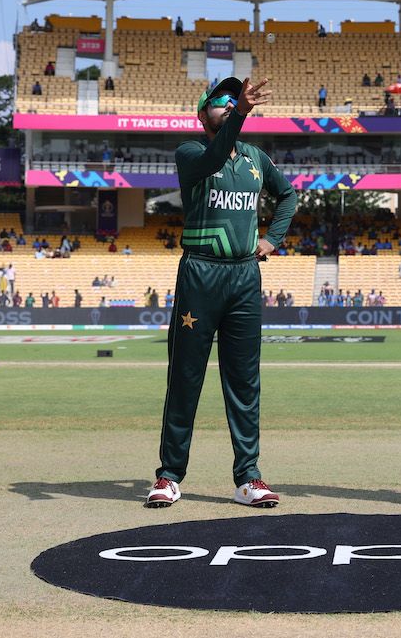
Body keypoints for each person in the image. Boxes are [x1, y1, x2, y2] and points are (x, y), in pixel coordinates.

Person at [147, 76, 298, 511]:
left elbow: (287, 196)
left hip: (245, 277)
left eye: (236, 100)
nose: (230, 105)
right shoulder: (191, 152)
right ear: (201, 113)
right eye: (220, 101)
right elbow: (214, 157)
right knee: (185, 377)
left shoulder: (255, 158)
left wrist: (272, 240)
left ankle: (248, 477)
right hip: (201, 274)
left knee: (245, 381)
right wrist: (244, 114)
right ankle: (169, 475)